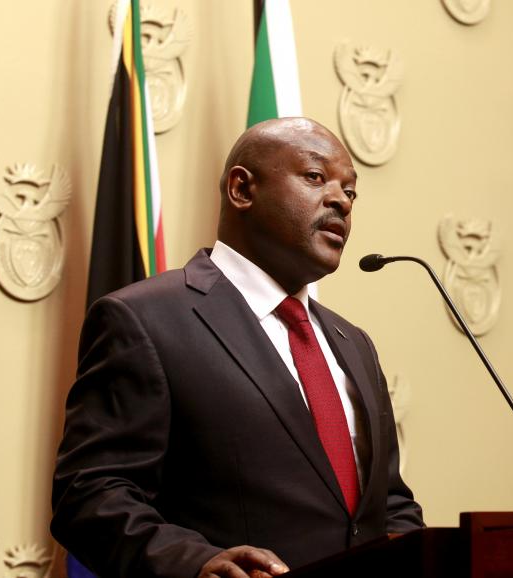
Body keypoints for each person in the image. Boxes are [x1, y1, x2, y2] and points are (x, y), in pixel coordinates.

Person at [51, 118, 423, 578]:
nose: (340, 201)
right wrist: (195, 562)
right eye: (315, 177)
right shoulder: (146, 320)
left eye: (351, 192)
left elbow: (387, 501)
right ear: (242, 189)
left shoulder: (354, 345)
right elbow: (89, 492)